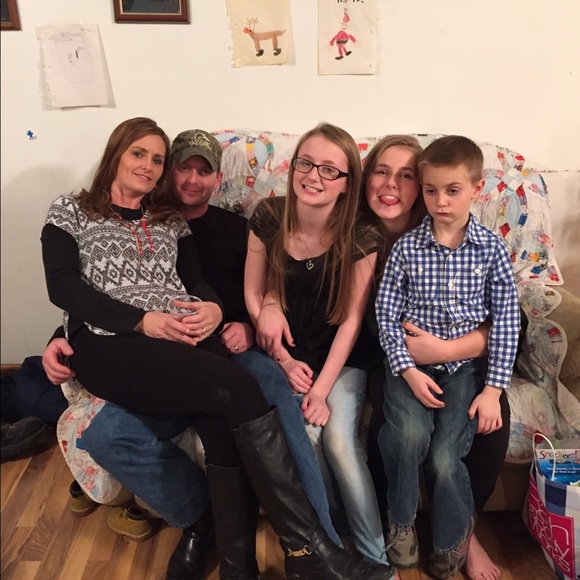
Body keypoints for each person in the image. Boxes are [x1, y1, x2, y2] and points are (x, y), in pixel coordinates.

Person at [41, 117, 396, 580]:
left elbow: (209, 285)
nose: (160, 170)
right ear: (118, 154)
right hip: (142, 346)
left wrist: (222, 312)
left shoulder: (190, 224)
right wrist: (72, 335)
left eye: (159, 159)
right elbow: (66, 286)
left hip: (203, 344)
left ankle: (257, 558)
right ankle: (288, 547)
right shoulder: (73, 210)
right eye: (145, 156)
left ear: (216, 177)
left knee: (246, 402)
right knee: (213, 400)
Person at [360, 134, 514, 580]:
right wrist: (406, 369)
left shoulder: (491, 250)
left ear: (476, 189)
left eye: (453, 190)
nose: (441, 201)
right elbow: (386, 314)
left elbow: (507, 321)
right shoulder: (407, 248)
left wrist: (493, 389)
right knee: (407, 436)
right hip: (408, 368)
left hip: (465, 371)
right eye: (431, 191)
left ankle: (453, 541)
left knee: (447, 456)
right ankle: (401, 520)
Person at [243, 122, 388, 565]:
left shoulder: (363, 236)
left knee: (340, 441)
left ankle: (376, 559)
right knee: (306, 436)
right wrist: (283, 360)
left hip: (343, 359)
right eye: (306, 163)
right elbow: (253, 294)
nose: (313, 176)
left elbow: (352, 321)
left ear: (347, 183)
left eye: (329, 169)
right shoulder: (269, 216)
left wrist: (322, 390)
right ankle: (335, 542)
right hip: (291, 353)